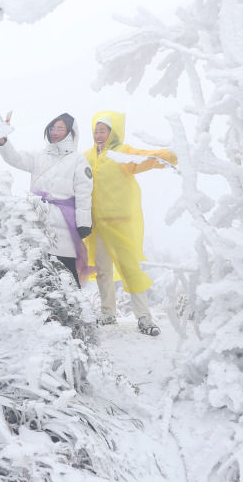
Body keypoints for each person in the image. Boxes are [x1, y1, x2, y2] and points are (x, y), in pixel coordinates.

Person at [82, 111, 177, 336]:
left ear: (113, 132)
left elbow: (149, 157)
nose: (98, 135)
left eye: (103, 131)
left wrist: (174, 154)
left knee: (131, 269)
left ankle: (144, 317)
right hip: (97, 225)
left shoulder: (122, 153)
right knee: (103, 270)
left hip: (121, 223)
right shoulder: (87, 156)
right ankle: (107, 313)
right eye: (96, 130)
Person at [0, 113, 93, 287]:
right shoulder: (39, 156)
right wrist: (2, 138)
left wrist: (84, 223)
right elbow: (14, 158)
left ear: (70, 132)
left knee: (66, 267)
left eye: (60, 128)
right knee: (38, 265)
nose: (54, 132)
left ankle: (74, 309)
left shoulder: (78, 159)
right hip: (37, 217)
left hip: (64, 221)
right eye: (52, 128)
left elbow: (84, 192)